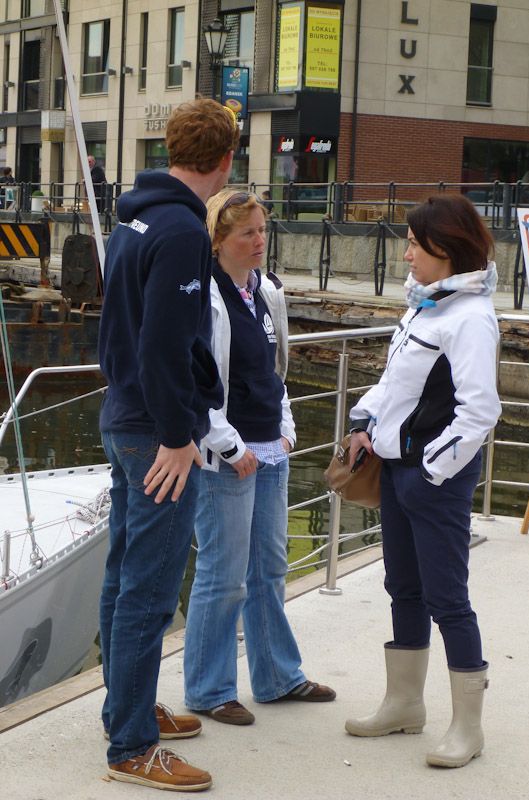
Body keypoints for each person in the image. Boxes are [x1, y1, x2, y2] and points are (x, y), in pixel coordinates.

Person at [98, 99, 239, 792]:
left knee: (124, 576)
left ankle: (124, 707)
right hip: (156, 433)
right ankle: (132, 745)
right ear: (226, 160)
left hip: (121, 416)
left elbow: (122, 325)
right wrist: (180, 437)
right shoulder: (183, 229)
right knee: (148, 590)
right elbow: (162, 344)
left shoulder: (134, 216)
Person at [344, 194, 501, 769]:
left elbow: (481, 411)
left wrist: (431, 470)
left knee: (448, 600)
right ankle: (405, 703)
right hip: (400, 471)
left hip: (434, 479)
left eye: (414, 243)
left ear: (444, 248)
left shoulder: (470, 317)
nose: (406, 252)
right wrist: (365, 422)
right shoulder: (426, 308)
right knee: (403, 588)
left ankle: (468, 727)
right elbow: (395, 387)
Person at [183, 189, 336, 725]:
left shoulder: (266, 291)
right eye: (247, 232)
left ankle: (277, 677)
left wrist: (287, 428)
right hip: (230, 453)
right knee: (223, 574)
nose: (259, 241)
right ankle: (208, 688)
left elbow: (275, 367)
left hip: (271, 447)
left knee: (269, 568)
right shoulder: (206, 295)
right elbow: (199, 379)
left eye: (262, 230)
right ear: (219, 240)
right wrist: (228, 444)